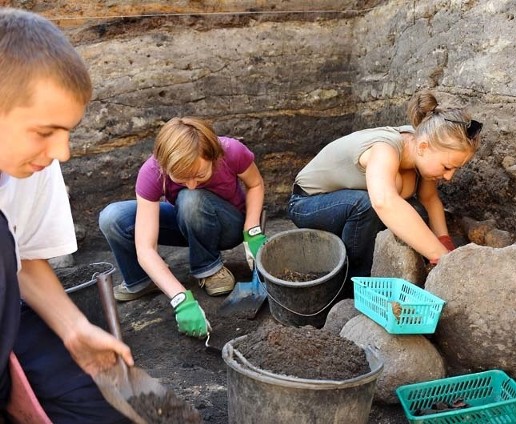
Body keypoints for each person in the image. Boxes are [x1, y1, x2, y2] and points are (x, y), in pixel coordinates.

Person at [0, 8, 133, 423]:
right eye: (44, 132)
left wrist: (73, 327)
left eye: (68, 132)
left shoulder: (33, 165)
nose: (62, 153)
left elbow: (23, 257)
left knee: (113, 409)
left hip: (10, 319)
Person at [288, 88, 482, 281]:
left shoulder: (423, 146)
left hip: (349, 206)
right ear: (423, 147)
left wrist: (445, 244)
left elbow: (429, 199)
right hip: (307, 203)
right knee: (365, 204)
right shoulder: (385, 149)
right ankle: (354, 281)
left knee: (418, 212)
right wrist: (441, 257)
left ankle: (411, 272)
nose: (449, 177)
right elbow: (383, 202)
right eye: (447, 167)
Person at [99, 116, 267, 338]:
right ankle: (142, 280)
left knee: (191, 198)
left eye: (200, 175)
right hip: (186, 220)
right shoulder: (152, 171)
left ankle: (208, 268)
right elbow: (145, 247)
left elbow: (255, 184)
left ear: (213, 156)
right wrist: (180, 299)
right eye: (180, 178)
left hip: (228, 225)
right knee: (113, 217)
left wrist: (252, 229)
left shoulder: (230, 150)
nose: (192, 183)